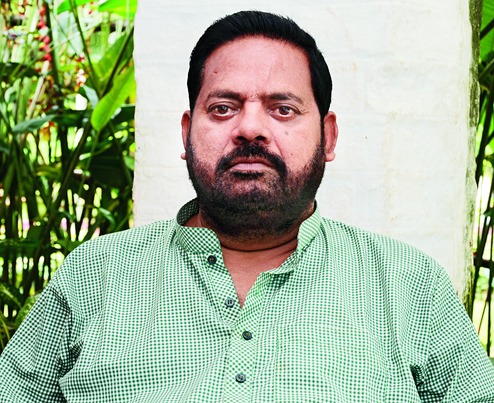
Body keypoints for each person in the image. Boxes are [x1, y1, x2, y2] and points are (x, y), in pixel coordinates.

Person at [1, 10, 493, 402]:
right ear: (186, 134)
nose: (251, 129)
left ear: (328, 137)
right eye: (223, 108)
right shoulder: (93, 277)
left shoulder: (409, 287)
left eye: (283, 109)